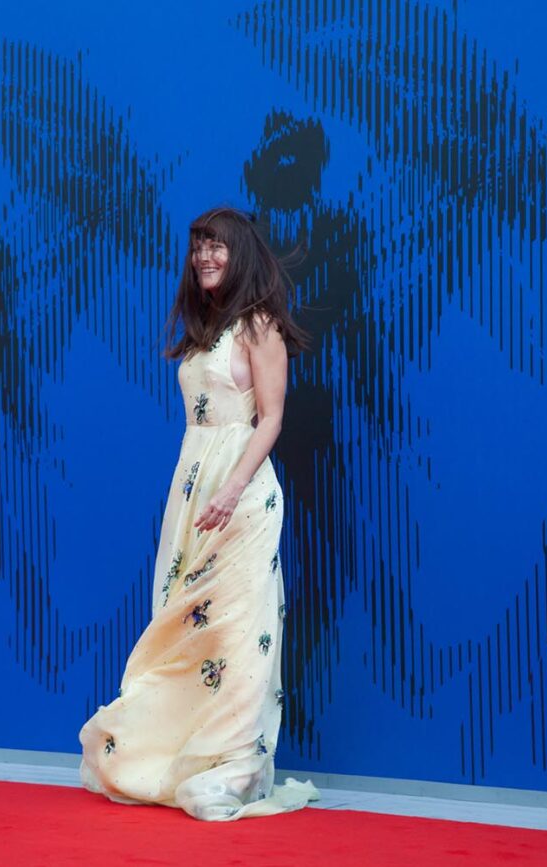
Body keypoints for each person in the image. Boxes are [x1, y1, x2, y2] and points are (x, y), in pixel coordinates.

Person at [78, 206, 321, 821]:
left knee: (239, 628)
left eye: (217, 247)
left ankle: (232, 768)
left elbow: (271, 419)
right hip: (192, 492)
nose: (205, 257)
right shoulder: (206, 328)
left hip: (241, 495)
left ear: (240, 254)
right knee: (185, 624)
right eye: (198, 248)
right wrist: (205, 491)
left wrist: (233, 488)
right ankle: (183, 754)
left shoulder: (259, 325)